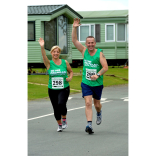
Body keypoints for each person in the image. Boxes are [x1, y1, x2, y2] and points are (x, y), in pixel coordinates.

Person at [72, 18, 108, 134]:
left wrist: (97, 75)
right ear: (86, 44)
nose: (90, 45)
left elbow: (105, 67)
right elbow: (74, 40)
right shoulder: (84, 51)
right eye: (88, 43)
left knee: (97, 104)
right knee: (88, 102)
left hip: (97, 83)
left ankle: (99, 112)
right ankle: (89, 124)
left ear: (95, 43)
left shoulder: (99, 53)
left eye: (92, 43)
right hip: (86, 82)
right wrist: (74, 28)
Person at [38, 38, 73, 132]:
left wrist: (70, 77)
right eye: (54, 52)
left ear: (59, 53)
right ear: (51, 53)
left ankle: (64, 120)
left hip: (64, 88)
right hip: (52, 89)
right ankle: (60, 125)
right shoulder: (49, 63)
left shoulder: (64, 62)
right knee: (55, 107)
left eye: (57, 52)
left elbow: (71, 72)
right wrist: (42, 47)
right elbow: (44, 56)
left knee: (61, 104)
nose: (56, 53)